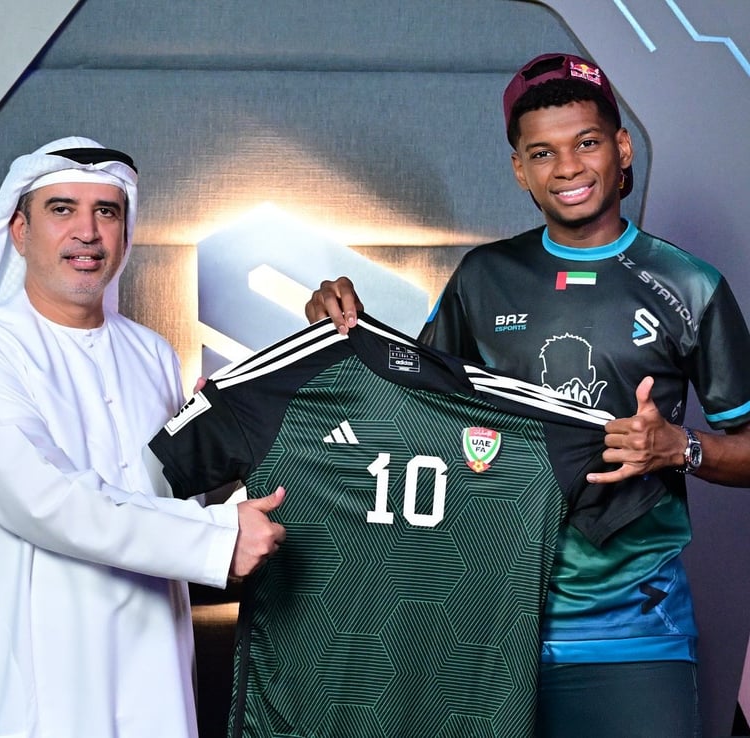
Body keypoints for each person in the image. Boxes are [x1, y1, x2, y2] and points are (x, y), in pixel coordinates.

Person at [304, 53, 750, 737]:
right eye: (542, 152)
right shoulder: (484, 277)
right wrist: (340, 334)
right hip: (485, 627)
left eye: (587, 142)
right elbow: (411, 414)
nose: (567, 167)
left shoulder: (689, 285)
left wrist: (680, 448)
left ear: (622, 148)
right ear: (519, 169)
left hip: (634, 633)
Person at [0, 137, 286, 738]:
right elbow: (48, 500)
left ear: (125, 232)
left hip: (156, 663)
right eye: (62, 209)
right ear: (19, 231)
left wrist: (224, 444)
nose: (88, 232)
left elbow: (168, 494)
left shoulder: (152, 353)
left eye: (107, 211)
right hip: (44, 667)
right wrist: (217, 539)